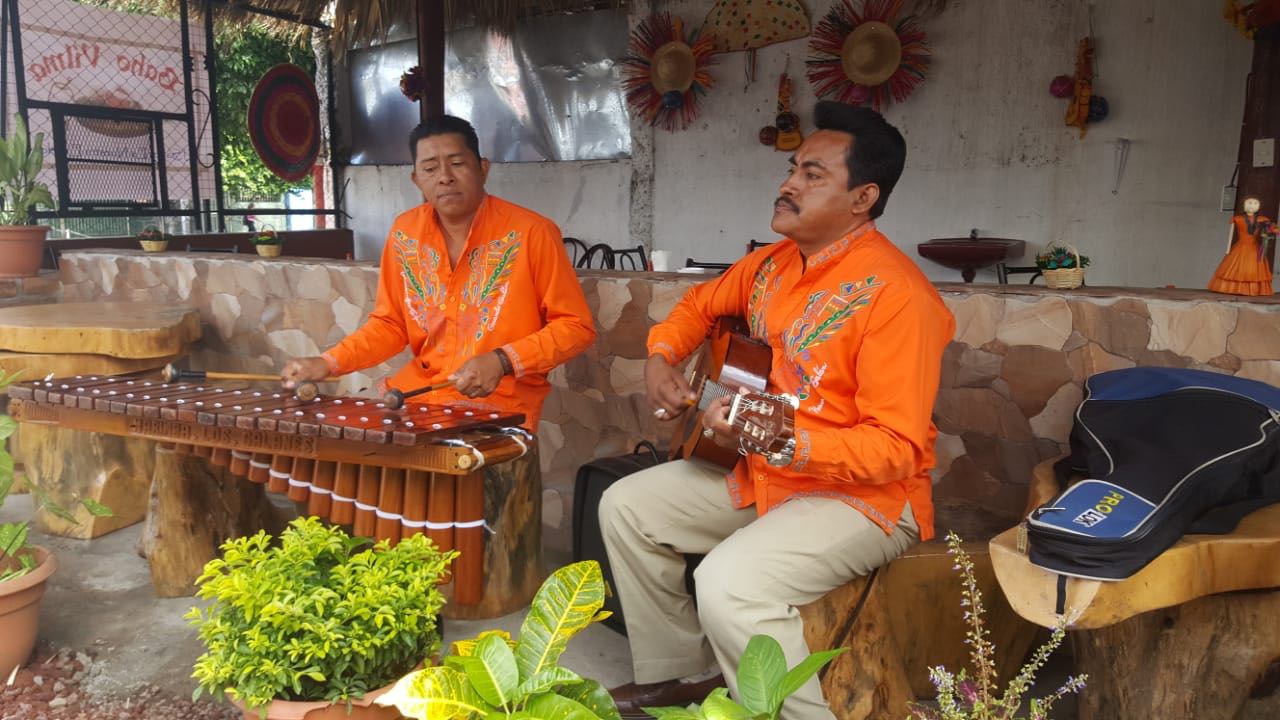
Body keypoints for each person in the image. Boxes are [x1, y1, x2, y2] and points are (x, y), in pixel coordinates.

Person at [600, 102, 955, 720]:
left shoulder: (899, 297)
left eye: (813, 174)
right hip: (762, 474)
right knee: (627, 506)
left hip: (865, 502)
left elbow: (896, 448)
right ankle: (683, 673)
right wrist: (661, 357)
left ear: (863, 197)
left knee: (730, 584)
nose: (788, 183)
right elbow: (696, 308)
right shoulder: (769, 265)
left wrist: (783, 437)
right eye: (793, 168)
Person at [282, 115, 596, 431]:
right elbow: (390, 325)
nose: (444, 177)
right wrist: (329, 363)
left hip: (501, 407)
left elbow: (575, 326)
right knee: (344, 443)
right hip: (418, 398)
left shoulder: (533, 232)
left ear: (483, 168)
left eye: (457, 163)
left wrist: (502, 360)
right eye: (430, 169)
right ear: (417, 180)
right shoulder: (405, 232)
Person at [1208, 195, 1274, 296]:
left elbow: (1273, 229)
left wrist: (1269, 233)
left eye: (1255, 203)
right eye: (1249, 203)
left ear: (1259, 206)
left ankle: (1254, 290)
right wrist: (1228, 249)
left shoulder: (1263, 219)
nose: (1252, 206)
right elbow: (1230, 234)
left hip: (1255, 247)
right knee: (1235, 268)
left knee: (1255, 268)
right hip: (1240, 246)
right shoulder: (1237, 218)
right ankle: (1234, 289)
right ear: (1244, 205)